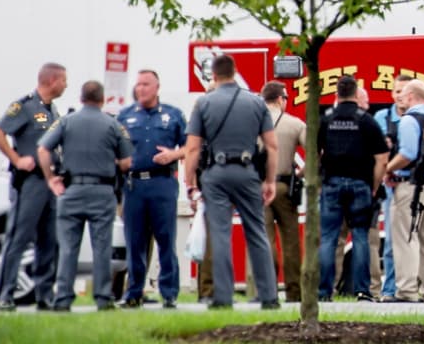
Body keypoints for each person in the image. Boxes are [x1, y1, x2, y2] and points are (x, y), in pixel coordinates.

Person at [182, 53, 281, 310]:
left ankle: (223, 298)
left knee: (221, 233)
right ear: (235, 72)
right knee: (257, 232)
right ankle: (269, 296)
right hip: (248, 173)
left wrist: (189, 181)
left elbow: (192, 148)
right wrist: (269, 180)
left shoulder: (203, 104)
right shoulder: (256, 103)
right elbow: (271, 145)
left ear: (213, 75)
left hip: (216, 174)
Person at [36, 80, 132, 311]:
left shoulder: (66, 121)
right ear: (102, 100)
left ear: (81, 98)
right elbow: (127, 163)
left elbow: (42, 149)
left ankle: (63, 299)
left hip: (72, 191)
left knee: (68, 248)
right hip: (102, 191)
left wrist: (51, 179)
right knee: (101, 248)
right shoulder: (113, 125)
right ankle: (102, 298)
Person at [0, 62, 67, 311]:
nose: (66, 85)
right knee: (18, 238)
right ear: (52, 80)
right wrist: (16, 159)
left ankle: (44, 295)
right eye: (64, 80)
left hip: (50, 182)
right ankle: (5, 294)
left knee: (48, 240)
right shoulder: (24, 106)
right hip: (30, 183)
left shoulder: (52, 109)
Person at [117, 69, 188, 309]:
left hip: (162, 183)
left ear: (157, 87)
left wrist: (173, 155)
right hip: (134, 184)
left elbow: (191, 147)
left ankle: (168, 293)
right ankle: (134, 292)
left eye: (146, 84)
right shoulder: (125, 116)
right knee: (135, 240)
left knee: (166, 238)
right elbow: (114, 149)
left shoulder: (173, 115)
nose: (141, 89)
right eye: (138, 85)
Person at [317, 74, 388, 302]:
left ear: (336, 93)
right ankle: (363, 291)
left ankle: (324, 292)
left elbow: (315, 153)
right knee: (360, 236)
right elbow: (382, 159)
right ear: (356, 93)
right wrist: (374, 186)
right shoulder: (366, 121)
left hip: (332, 183)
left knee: (328, 238)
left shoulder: (326, 119)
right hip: (360, 185)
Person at [383, 79, 424, 302]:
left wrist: (387, 169)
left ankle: (407, 291)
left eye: (403, 94)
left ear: (411, 97)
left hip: (410, 186)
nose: (399, 98)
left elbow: (407, 153)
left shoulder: (408, 120)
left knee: (406, 238)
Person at [257, 81, 306, 302]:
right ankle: (294, 293)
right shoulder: (294, 123)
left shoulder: (252, 123)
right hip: (286, 185)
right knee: (291, 242)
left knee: (262, 239)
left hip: (258, 187)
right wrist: (301, 173)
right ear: (280, 99)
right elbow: (316, 152)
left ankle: (265, 292)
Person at [373, 74, 415, 302]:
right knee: (390, 241)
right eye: (397, 91)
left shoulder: (416, 117)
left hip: (415, 183)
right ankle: (389, 290)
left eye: (404, 91)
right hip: (391, 186)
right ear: (392, 93)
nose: (400, 96)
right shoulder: (382, 117)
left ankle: (416, 287)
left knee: (419, 239)